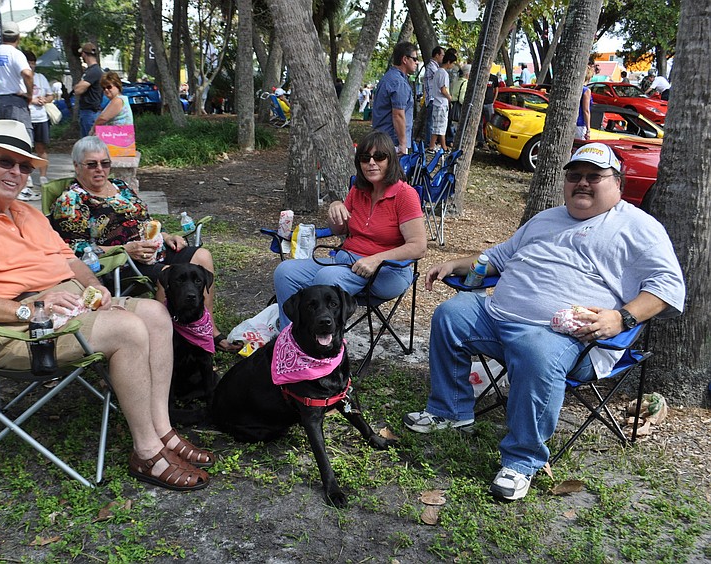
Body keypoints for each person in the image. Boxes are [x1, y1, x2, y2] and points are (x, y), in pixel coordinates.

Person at [0, 120, 213, 491]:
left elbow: (71, 260)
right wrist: (27, 310)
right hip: (13, 329)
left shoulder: (25, 213)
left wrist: (95, 289)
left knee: (155, 313)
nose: (16, 173)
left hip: (68, 306)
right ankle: (146, 451)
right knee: (127, 329)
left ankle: (162, 429)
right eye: (5, 162)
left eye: (24, 166)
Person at [404, 142, 685, 501]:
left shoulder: (638, 227)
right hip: (498, 318)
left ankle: (521, 461)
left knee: (537, 351)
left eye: (594, 177)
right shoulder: (546, 217)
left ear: (618, 184)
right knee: (451, 315)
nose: (582, 183)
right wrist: (456, 263)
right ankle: (450, 410)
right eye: (575, 176)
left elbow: (669, 287)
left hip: (568, 339)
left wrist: (622, 317)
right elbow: (498, 257)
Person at [49, 136, 241, 352]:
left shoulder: (120, 186)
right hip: (119, 264)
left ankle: (208, 329)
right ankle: (167, 341)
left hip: (152, 251)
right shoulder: (72, 200)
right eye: (91, 164)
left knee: (202, 256)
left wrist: (166, 236)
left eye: (105, 163)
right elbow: (74, 248)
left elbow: (145, 220)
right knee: (169, 274)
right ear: (77, 166)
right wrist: (125, 250)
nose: (100, 170)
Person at [273, 131, 427, 328]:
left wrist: (376, 259)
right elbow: (339, 230)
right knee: (285, 272)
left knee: (327, 279)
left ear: (391, 161)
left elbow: (418, 247)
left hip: (387, 271)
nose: (372, 163)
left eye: (379, 157)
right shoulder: (359, 190)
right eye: (365, 158)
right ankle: (293, 339)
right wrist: (335, 207)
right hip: (346, 261)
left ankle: (327, 344)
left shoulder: (405, 195)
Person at [372, 42, 420, 155]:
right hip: (393, 143)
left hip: (382, 139)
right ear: (405, 59)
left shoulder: (388, 78)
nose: (417, 62)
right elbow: (398, 115)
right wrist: (403, 144)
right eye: (415, 59)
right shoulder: (398, 83)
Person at [23, 50, 53, 195]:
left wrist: (44, 99)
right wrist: (32, 100)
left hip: (41, 117)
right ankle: (26, 176)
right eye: (28, 63)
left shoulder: (41, 78)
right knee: (25, 149)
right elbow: (17, 94)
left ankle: (43, 176)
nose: (31, 66)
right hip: (26, 117)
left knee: (41, 148)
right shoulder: (19, 78)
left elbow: (50, 95)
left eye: (33, 63)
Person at [429, 51, 457, 153]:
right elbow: (443, 89)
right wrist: (450, 98)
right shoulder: (444, 73)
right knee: (441, 127)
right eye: (453, 63)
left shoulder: (437, 72)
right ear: (449, 62)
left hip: (437, 102)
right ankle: (442, 147)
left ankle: (435, 146)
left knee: (437, 126)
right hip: (441, 103)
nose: (453, 66)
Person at [73, 42, 103, 137]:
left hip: (90, 113)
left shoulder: (93, 71)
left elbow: (78, 90)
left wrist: (77, 87)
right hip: (89, 113)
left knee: (90, 144)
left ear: (84, 54)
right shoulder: (91, 70)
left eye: (82, 54)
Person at [422, 46, 444, 144]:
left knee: (433, 122)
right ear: (437, 55)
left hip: (433, 98)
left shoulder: (435, 67)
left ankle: (431, 142)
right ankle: (428, 143)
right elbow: (440, 79)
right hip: (432, 97)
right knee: (431, 122)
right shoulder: (431, 67)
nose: (443, 57)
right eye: (442, 55)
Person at [478, 73, 499, 148]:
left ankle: (490, 141)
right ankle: (481, 141)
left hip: (489, 103)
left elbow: (496, 89)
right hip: (480, 103)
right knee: (479, 124)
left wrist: (493, 100)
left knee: (490, 123)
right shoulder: (481, 75)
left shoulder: (494, 78)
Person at [577, 66, 594, 140]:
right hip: (580, 123)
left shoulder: (576, 88)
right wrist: (588, 129)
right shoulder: (586, 90)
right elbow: (586, 110)